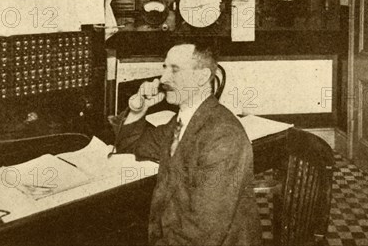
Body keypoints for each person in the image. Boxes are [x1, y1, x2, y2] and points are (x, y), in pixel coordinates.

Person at [109, 43, 261, 246]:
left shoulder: (223, 136)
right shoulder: (182, 120)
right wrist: (139, 110)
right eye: (164, 68)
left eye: (175, 69)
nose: (163, 79)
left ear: (201, 77)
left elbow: (204, 231)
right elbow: (131, 145)